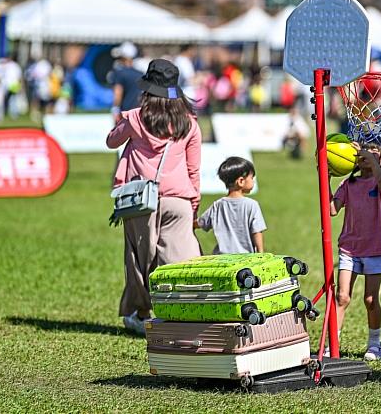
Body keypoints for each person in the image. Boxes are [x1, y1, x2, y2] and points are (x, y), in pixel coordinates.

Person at [106, 59, 202, 335]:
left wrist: (122, 122)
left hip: (141, 201)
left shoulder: (135, 118)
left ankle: (143, 314)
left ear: (147, 89)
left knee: (140, 261)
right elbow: (194, 170)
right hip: (179, 201)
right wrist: (193, 207)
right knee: (181, 261)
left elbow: (111, 141)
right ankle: (184, 314)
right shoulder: (190, 124)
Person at [330, 142, 381, 362]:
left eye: (374, 154)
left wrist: (375, 164)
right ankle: (333, 345)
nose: (366, 156)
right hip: (349, 248)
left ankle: (375, 344)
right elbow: (332, 210)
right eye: (363, 153)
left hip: (374, 248)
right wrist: (326, 177)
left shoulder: (380, 182)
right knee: (342, 297)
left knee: (370, 299)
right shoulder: (349, 184)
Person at [196, 156, 266, 254]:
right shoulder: (252, 205)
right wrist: (260, 252)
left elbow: (200, 223)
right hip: (245, 260)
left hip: (221, 259)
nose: (253, 181)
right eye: (251, 178)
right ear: (241, 181)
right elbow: (256, 232)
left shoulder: (218, 205)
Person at [108, 42, 143, 123]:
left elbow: (118, 93)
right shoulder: (140, 74)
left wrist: (115, 110)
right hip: (138, 114)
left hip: (125, 115)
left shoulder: (119, 73)